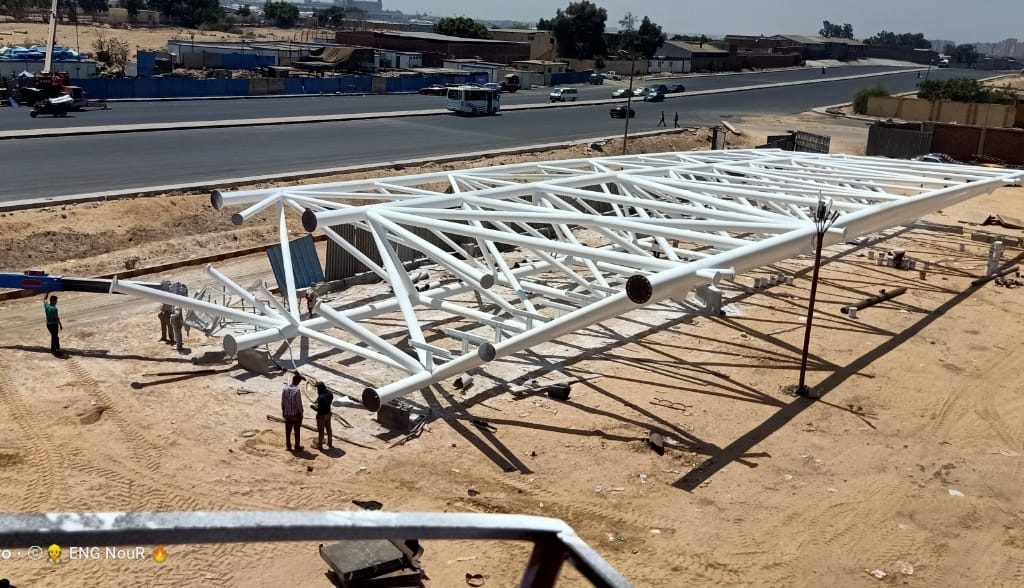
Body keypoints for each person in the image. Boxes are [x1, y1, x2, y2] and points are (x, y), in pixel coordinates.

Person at [281, 373, 304, 451]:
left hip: (287, 414)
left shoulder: (285, 389)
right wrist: (301, 412)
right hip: (296, 415)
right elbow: (299, 403)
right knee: (297, 431)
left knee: (288, 431)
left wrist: (283, 411)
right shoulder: (297, 390)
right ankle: (297, 446)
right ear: (297, 381)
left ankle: (288, 446)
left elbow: (283, 402)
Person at [313, 381, 334, 450]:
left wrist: (314, 408)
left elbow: (319, 410)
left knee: (321, 431)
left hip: (322, 416)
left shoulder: (321, 398)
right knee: (329, 428)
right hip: (328, 413)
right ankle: (330, 443)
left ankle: (319, 446)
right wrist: (318, 400)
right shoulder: (330, 393)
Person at [43, 292, 63, 357]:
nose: (56, 302)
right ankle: (56, 350)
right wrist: (60, 325)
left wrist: (47, 292)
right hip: (54, 325)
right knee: (55, 337)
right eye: (56, 301)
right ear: (53, 301)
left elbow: (44, 299)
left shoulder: (47, 306)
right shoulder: (54, 309)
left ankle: (53, 348)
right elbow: (57, 318)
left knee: (54, 336)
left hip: (48, 324)